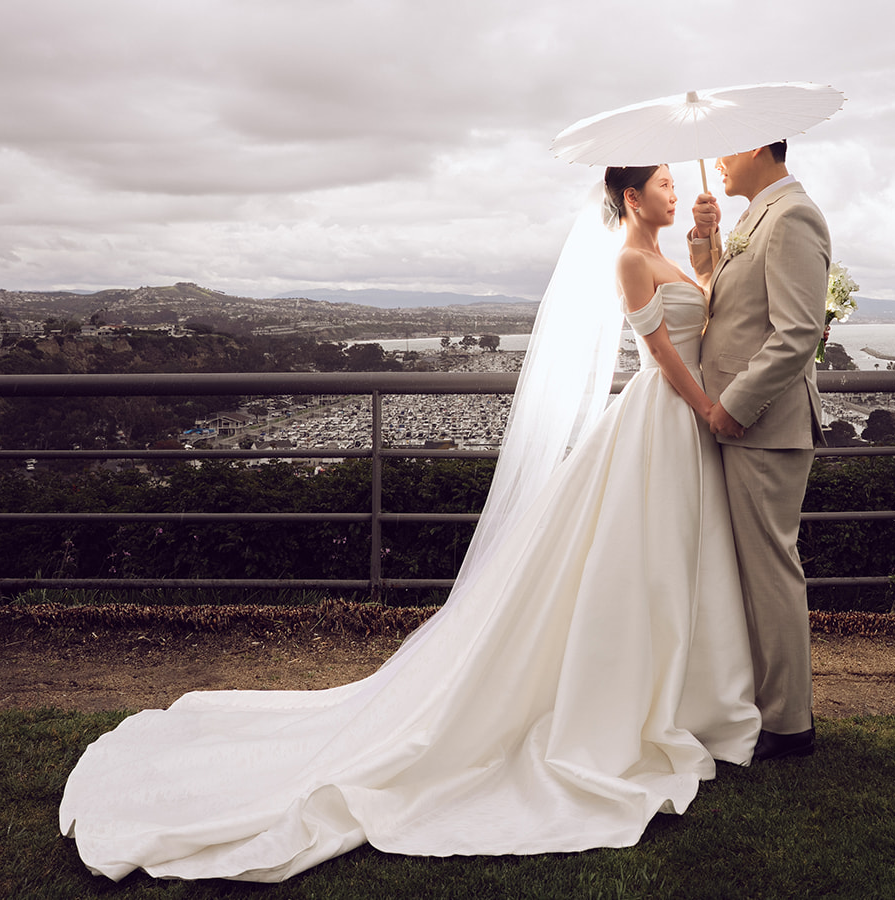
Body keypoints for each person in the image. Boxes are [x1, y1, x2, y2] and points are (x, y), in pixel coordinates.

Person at [58, 165, 760, 883]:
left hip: (683, 423)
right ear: (633, 197)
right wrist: (706, 407)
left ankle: (687, 697)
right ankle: (634, 700)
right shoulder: (628, 258)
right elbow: (665, 353)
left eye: (681, 183)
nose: (680, 193)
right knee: (642, 558)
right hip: (667, 415)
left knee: (675, 557)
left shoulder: (673, 254)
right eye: (667, 184)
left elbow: (705, 319)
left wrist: (707, 250)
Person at [687, 141, 830, 762]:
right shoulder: (753, 216)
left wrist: (736, 404)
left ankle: (789, 723)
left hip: (764, 427)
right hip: (737, 426)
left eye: (726, 151)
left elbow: (798, 331)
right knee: (748, 570)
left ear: (757, 147)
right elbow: (734, 307)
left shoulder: (793, 214)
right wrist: (705, 241)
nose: (717, 161)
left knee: (771, 570)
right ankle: (756, 705)